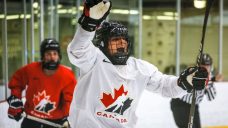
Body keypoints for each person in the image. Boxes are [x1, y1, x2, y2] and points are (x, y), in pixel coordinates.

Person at [67, 0, 209, 127]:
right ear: (103, 43)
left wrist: (185, 82)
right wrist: (89, 24)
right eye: (116, 40)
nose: (122, 43)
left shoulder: (139, 68)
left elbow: (165, 86)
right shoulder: (94, 59)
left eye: (124, 40)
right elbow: (77, 50)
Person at [7, 38, 77, 128]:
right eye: (48, 54)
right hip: (31, 118)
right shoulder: (31, 69)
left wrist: (68, 117)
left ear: (59, 56)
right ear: (43, 56)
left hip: (56, 121)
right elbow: (17, 82)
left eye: (55, 54)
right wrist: (15, 98)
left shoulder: (67, 75)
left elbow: (70, 99)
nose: (52, 57)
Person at [170, 53, 223, 128]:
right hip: (180, 104)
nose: (206, 68)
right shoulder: (192, 72)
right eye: (203, 65)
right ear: (198, 65)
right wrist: (209, 80)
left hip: (194, 106)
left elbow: (211, 97)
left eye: (208, 66)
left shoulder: (209, 76)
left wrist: (210, 82)